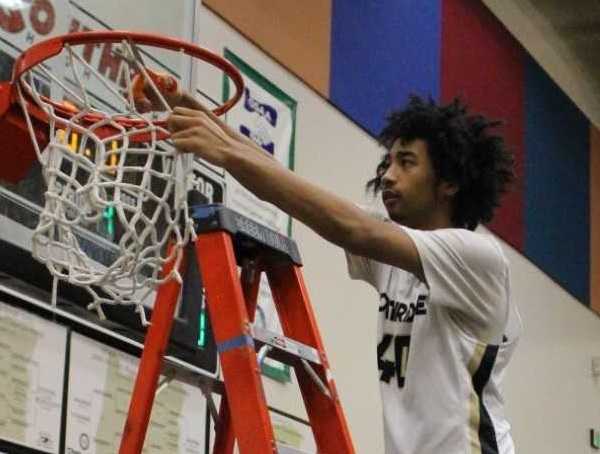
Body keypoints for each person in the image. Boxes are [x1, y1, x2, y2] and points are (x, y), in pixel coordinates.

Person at [138, 75, 521, 453]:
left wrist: (226, 152)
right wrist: (184, 106)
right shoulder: (394, 253)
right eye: (388, 162)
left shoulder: (478, 258)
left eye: (406, 163)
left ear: (449, 182)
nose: (388, 176)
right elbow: (288, 183)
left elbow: (350, 228)